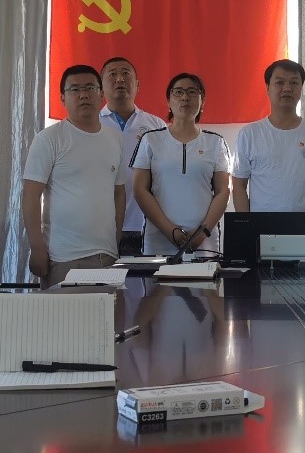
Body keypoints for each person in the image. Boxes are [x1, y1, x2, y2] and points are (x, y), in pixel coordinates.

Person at [22, 64, 126, 285]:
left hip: (107, 256)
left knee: (109, 310)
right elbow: (31, 196)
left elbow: (119, 193)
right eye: (75, 89)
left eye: (90, 88)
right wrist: (37, 248)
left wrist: (115, 240)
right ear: (62, 98)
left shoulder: (115, 139)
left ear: (101, 94)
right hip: (63, 258)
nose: (84, 95)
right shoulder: (49, 139)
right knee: (65, 310)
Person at [131, 73, 232, 256]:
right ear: (168, 100)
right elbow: (140, 189)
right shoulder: (150, 140)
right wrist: (170, 231)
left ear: (202, 101)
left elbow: (223, 191)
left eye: (192, 92)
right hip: (158, 239)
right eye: (178, 92)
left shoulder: (216, 142)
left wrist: (203, 232)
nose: (185, 97)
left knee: (205, 275)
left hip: (203, 242)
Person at [232, 59, 305, 233]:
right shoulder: (249, 134)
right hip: (261, 234)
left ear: (301, 88)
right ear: (268, 88)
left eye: (294, 83)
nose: (287, 88)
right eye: (279, 82)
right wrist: (247, 228)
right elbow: (238, 185)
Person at [100, 57, 167, 255]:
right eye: (112, 74)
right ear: (101, 87)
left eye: (125, 73)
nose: (120, 79)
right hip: (101, 228)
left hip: (147, 226)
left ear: (138, 85)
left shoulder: (157, 126)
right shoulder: (91, 124)